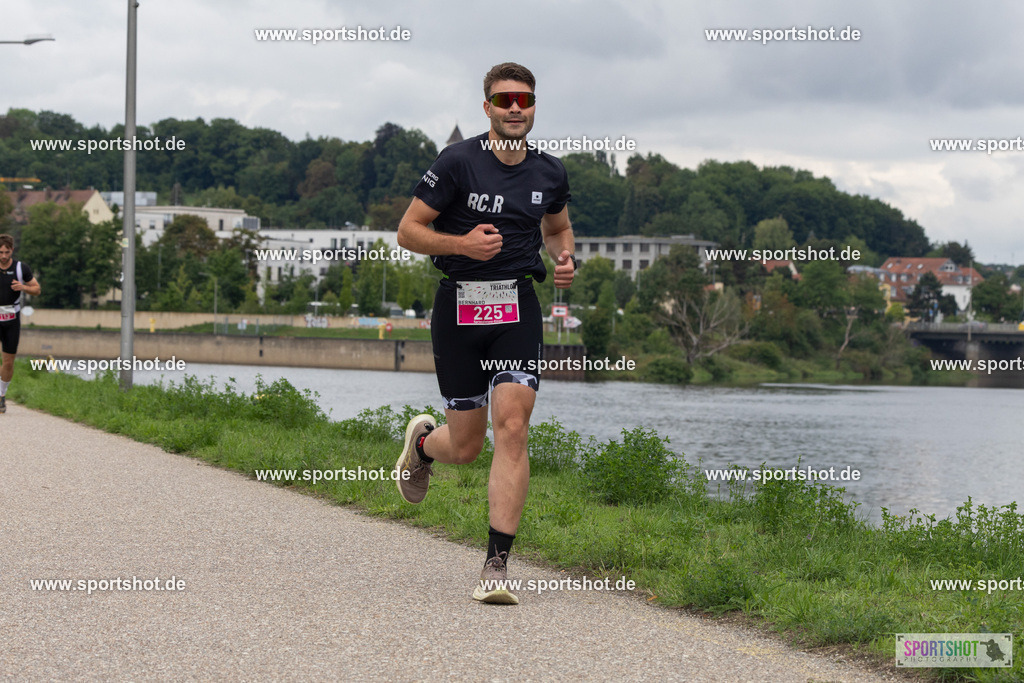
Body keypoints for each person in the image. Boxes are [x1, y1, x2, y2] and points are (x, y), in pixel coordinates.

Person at [395, 62, 577, 604]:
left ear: (534, 106)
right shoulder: (456, 162)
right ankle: (424, 446)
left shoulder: (550, 172)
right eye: (504, 100)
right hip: (459, 307)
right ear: (488, 108)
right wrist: (462, 246)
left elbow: (558, 228)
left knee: (514, 426)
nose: (514, 108)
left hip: (517, 304)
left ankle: (495, 568)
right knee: (468, 445)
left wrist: (564, 259)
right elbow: (408, 231)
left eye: (523, 99)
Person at [0, 234, 42, 414]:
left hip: (11, 318)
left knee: (8, 362)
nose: (3, 256)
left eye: (6, 252)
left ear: (12, 250)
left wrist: (23, 287)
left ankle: (2, 396)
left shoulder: (20, 268)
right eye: (0, 252)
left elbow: (37, 289)